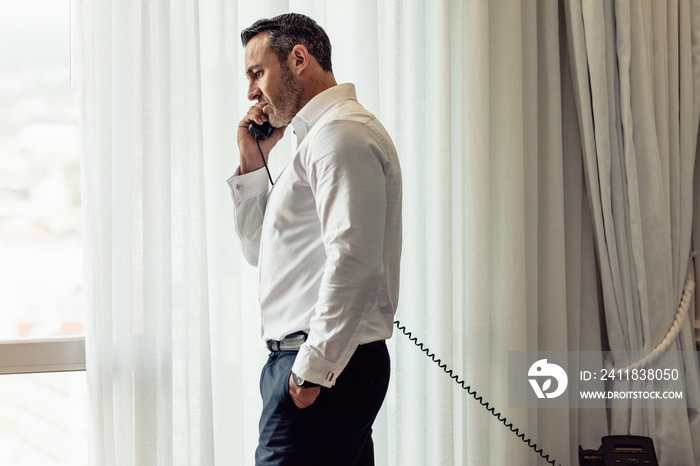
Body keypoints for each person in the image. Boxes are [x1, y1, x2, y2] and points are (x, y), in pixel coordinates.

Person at [228, 13, 402, 465]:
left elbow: (353, 261)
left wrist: (312, 370)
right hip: (313, 362)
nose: (251, 93)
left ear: (299, 59)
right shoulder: (316, 141)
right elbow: (255, 250)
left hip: (322, 364)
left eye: (257, 72)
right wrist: (253, 161)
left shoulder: (341, 135)